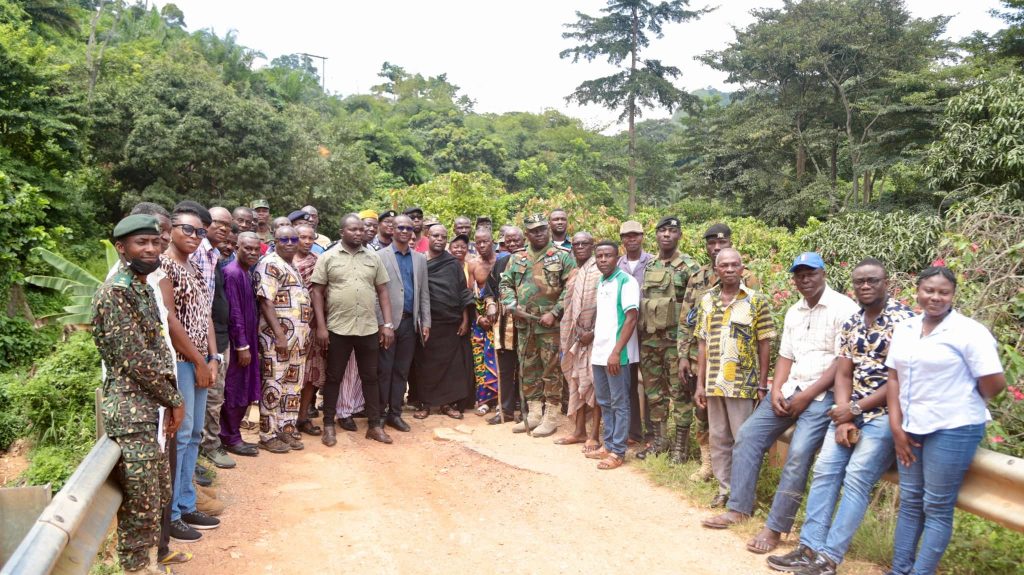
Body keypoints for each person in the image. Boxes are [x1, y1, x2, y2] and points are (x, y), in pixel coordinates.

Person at [701, 252, 858, 556]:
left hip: (822, 397)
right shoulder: (795, 311)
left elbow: (842, 363)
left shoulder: (843, 308)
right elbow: (785, 355)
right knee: (747, 435)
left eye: (810, 273)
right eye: (799, 275)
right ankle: (739, 508)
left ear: (823, 273)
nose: (805, 280)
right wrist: (775, 390)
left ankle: (775, 528)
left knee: (798, 453)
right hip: (789, 390)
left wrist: (806, 395)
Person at [767, 258, 914, 575]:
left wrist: (856, 409)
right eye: (860, 281)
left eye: (872, 280)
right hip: (850, 411)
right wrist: (846, 416)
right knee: (824, 471)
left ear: (886, 282)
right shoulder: (853, 322)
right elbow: (844, 373)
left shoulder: (905, 321)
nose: (865, 286)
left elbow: (900, 380)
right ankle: (809, 547)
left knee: (858, 477)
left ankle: (829, 558)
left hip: (886, 415)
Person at [884, 266, 1005, 575]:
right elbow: (894, 378)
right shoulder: (906, 328)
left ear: (952, 296)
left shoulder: (969, 332)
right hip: (911, 427)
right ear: (918, 292)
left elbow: (993, 382)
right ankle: (900, 570)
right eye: (929, 290)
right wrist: (897, 428)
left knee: (936, 506)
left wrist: (965, 398)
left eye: (943, 292)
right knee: (910, 501)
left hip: (954, 428)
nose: (935, 297)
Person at [93, 214, 185, 574]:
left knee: (157, 495)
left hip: (152, 411)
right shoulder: (115, 293)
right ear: (121, 248)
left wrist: (167, 402)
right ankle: (135, 568)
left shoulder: (143, 287)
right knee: (140, 504)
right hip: (133, 415)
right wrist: (175, 399)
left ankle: (146, 564)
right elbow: (136, 361)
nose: (150, 249)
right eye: (140, 243)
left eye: (154, 242)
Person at [693, 248, 775, 508]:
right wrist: (700, 384)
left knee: (743, 440)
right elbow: (702, 344)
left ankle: (743, 494)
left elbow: (765, 343)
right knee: (718, 438)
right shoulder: (707, 300)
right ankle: (724, 489)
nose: (729, 269)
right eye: (724, 265)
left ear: (742, 269)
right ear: (716, 270)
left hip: (743, 384)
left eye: (734, 265)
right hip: (714, 383)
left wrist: (762, 384)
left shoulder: (756, 300)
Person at [679, 223, 762, 474]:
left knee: (737, 423)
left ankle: (738, 474)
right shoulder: (698, 277)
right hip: (701, 357)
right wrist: (683, 355)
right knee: (702, 412)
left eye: (721, 243)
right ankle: (708, 464)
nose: (716, 247)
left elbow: (757, 325)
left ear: (730, 244)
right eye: (711, 243)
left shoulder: (748, 279)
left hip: (736, 364)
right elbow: (686, 319)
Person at [161, 204, 221, 542]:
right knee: (181, 437)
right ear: (171, 228)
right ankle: (171, 514)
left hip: (201, 360)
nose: (195, 237)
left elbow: (206, 316)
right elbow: (170, 320)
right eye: (188, 230)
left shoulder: (195, 267)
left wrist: (212, 358)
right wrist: (198, 361)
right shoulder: (165, 266)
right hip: (182, 362)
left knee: (195, 433)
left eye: (200, 232)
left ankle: (186, 503)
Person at [311, 214, 396, 446]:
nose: (358, 233)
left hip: (368, 327)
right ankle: (329, 424)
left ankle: (374, 426)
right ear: (342, 232)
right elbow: (317, 291)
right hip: (338, 327)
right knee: (334, 377)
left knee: (370, 377)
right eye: (353, 230)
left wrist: (387, 324)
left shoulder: (373, 257)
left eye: (361, 229)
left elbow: (383, 292)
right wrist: (321, 326)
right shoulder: (327, 257)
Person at [499, 214, 576, 437]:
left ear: (549, 229)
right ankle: (533, 413)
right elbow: (505, 284)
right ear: (527, 234)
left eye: (542, 229)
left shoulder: (562, 257)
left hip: (550, 326)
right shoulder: (517, 257)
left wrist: (555, 312)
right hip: (525, 324)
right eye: (534, 230)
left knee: (551, 369)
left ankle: (551, 415)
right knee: (528, 368)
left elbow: (569, 290)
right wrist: (511, 304)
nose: (539, 233)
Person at [636, 216, 700, 460]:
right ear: (656, 235)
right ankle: (660, 441)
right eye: (662, 231)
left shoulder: (689, 267)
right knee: (654, 393)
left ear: (679, 235)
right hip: (650, 340)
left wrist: (688, 348)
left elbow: (693, 310)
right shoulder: (650, 266)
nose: (666, 235)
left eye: (672, 231)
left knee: (680, 393)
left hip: (675, 343)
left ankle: (679, 448)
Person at [253, 225, 311, 453]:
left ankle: (285, 430)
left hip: (298, 341)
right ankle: (267, 435)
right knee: (273, 385)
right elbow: (265, 301)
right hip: (278, 340)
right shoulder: (269, 264)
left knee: (292, 387)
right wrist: (279, 335)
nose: (289, 243)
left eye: (293, 239)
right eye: (284, 239)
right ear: (274, 240)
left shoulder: (291, 265)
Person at [586, 241, 640, 470]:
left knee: (619, 402)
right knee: (605, 401)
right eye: (599, 256)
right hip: (599, 353)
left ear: (617, 258)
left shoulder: (626, 282)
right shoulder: (602, 281)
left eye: (608, 256)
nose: (603, 260)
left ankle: (618, 451)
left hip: (618, 355)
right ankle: (608, 444)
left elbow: (631, 318)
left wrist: (616, 352)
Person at [375, 214, 431, 432]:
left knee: (401, 371)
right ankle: (379, 413)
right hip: (388, 324)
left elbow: (424, 292)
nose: (405, 231)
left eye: (409, 228)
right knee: (384, 370)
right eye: (401, 227)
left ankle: (395, 414)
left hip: (410, 323)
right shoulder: (380, 256)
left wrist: (425, 322)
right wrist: (383, 324)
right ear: (393, 229)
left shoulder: (419, 259)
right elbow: (375, 293)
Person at [413, 225, 475, 419]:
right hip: (428, 322)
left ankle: (447, 404)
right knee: (425, 365)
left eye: (443, 236)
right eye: (435, 236)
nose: (439, 239)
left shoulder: (452, 263)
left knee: (451, 366)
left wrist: (465, 319)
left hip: (451, 321)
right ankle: (425, 403)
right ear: (427, 236)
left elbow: (462, 292)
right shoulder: (419, 261)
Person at [554, 231, 602, 452]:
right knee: (576, 381)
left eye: (585, 243)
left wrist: (592, 331)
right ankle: (579, 431)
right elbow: (568, 306)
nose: (580, 247)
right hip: (575, 337)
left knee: (594, 383)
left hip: (596, 337)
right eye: (576, 244)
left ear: (592, 246)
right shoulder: (575, 272)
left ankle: (594, 434)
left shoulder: (600, 270)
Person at [199, 207, 236, 471]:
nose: (223, 228)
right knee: (210, 397)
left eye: (228, 225)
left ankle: (207, 445)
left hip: (218, 338)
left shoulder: (214, 255)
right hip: (202, 341)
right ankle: (208, 448)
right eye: (218, 223)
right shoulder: (199, 253)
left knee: (215, 396)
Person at [218, 233, 261, 458]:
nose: (253, 253)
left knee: (245, 387)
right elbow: (233, 312)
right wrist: (242, 346)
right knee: (235, 388)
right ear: (237, 248)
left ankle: (234, 434)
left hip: (249, 340)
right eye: (248, 248)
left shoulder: (246, 272)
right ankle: (230, 437)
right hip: (238, 344)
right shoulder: (232, 273)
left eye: (256, 249)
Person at [617, 220, 655, 445]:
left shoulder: (653, 263)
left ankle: (652, 435)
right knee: (627, 381)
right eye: (627, 236)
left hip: (648, 331)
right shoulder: (616, 264)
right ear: (622, 239)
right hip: (624, 331)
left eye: (635, 235)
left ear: (642, 237)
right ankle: (633, 432)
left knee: (650, 382)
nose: (631, 239)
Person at [486, 226, 524, 425]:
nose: (512, 243)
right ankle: (505, 411)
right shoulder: (500, 262)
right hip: (504, 325)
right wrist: (491, 304)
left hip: (527, 323)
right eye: (508, 240)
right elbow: (489, 290)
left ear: (523, 239)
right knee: (506, 369)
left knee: (526, 369)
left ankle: (526, 412)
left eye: (516, 239)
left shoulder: (532, 260)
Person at [293, 223, 326, 437]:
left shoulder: (317, 262)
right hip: (287, 327)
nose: (306, 241)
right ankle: (284, 419)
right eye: (301, 237)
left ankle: (303, 417)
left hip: (312, 325)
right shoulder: (281, 261)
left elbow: (322, 294)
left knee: (310, 374)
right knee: (288, 373)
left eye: (310, 238)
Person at [467, 228, 499, 415]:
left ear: (492, 240)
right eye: (478, 242)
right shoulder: (473, 264)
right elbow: (469, 295)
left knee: (498, 359)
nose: (481, 246)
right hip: (480, 319)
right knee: (480, 361)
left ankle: (501, 401)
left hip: (500, 316)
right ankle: (485, 400)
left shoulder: (502, 261)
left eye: (485, 241)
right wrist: (478, 318)